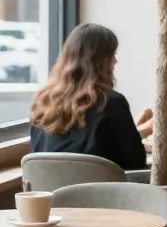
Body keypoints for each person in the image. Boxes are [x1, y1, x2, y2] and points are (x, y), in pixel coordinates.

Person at [29, 23, 153, 170]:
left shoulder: (42, 101)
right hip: (101, 192)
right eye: (113, 55)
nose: (116, 61)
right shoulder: (112, 103)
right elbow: (135, 162)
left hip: (50, 191)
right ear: (105, 61)